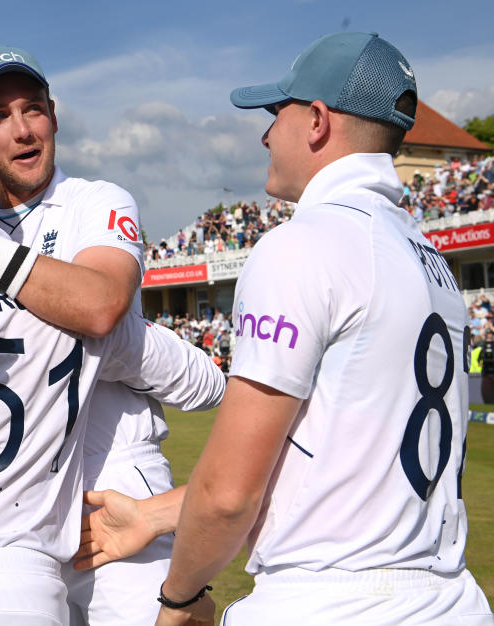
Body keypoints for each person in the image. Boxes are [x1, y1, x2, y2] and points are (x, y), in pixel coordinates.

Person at [77, 32, 493, 625]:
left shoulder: (303, 245)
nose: (266, 134)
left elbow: (229, 494)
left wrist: (179, 597)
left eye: (277, 113)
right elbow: (333, 460)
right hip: (449, 600)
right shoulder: (431, 260)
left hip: (332, 601)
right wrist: (151, 515)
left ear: (318, 121)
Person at [0, 45, 179, 625]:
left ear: (54, 114)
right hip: (6, 501)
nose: (22, 130)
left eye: (33, 110)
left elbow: (99, 306)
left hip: (108, 478)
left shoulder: (95, 200)